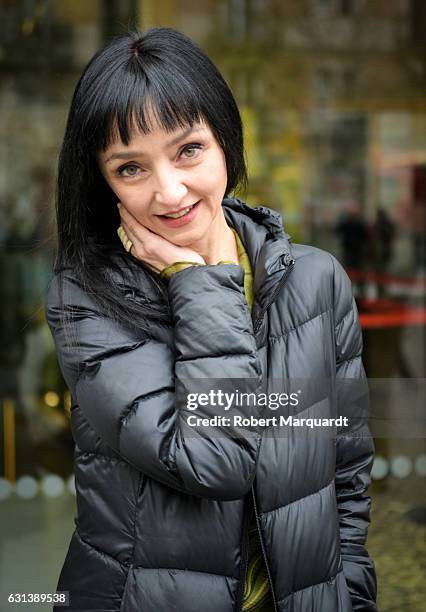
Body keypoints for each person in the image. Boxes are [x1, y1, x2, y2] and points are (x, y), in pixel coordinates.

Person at [45, 28, 377, 612]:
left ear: (224, 139)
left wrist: (347, 593)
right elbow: (214, 460)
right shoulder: (86, 299)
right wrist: (199, 279)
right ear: (101, 182)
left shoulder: (316, 281)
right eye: (130, 168)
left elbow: (345, 468)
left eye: (188, 150)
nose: (169, 191)